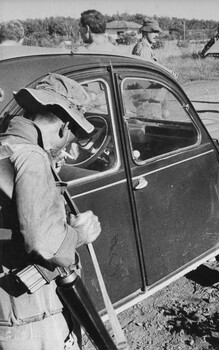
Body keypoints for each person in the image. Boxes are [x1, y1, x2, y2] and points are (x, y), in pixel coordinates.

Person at [0, 73, 101, 349]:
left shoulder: (5, 148)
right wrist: (78, 234)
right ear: (64, 126)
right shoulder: (30, 157)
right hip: (30, 319)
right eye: (73, 136)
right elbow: (44, 243)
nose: (67, 147)